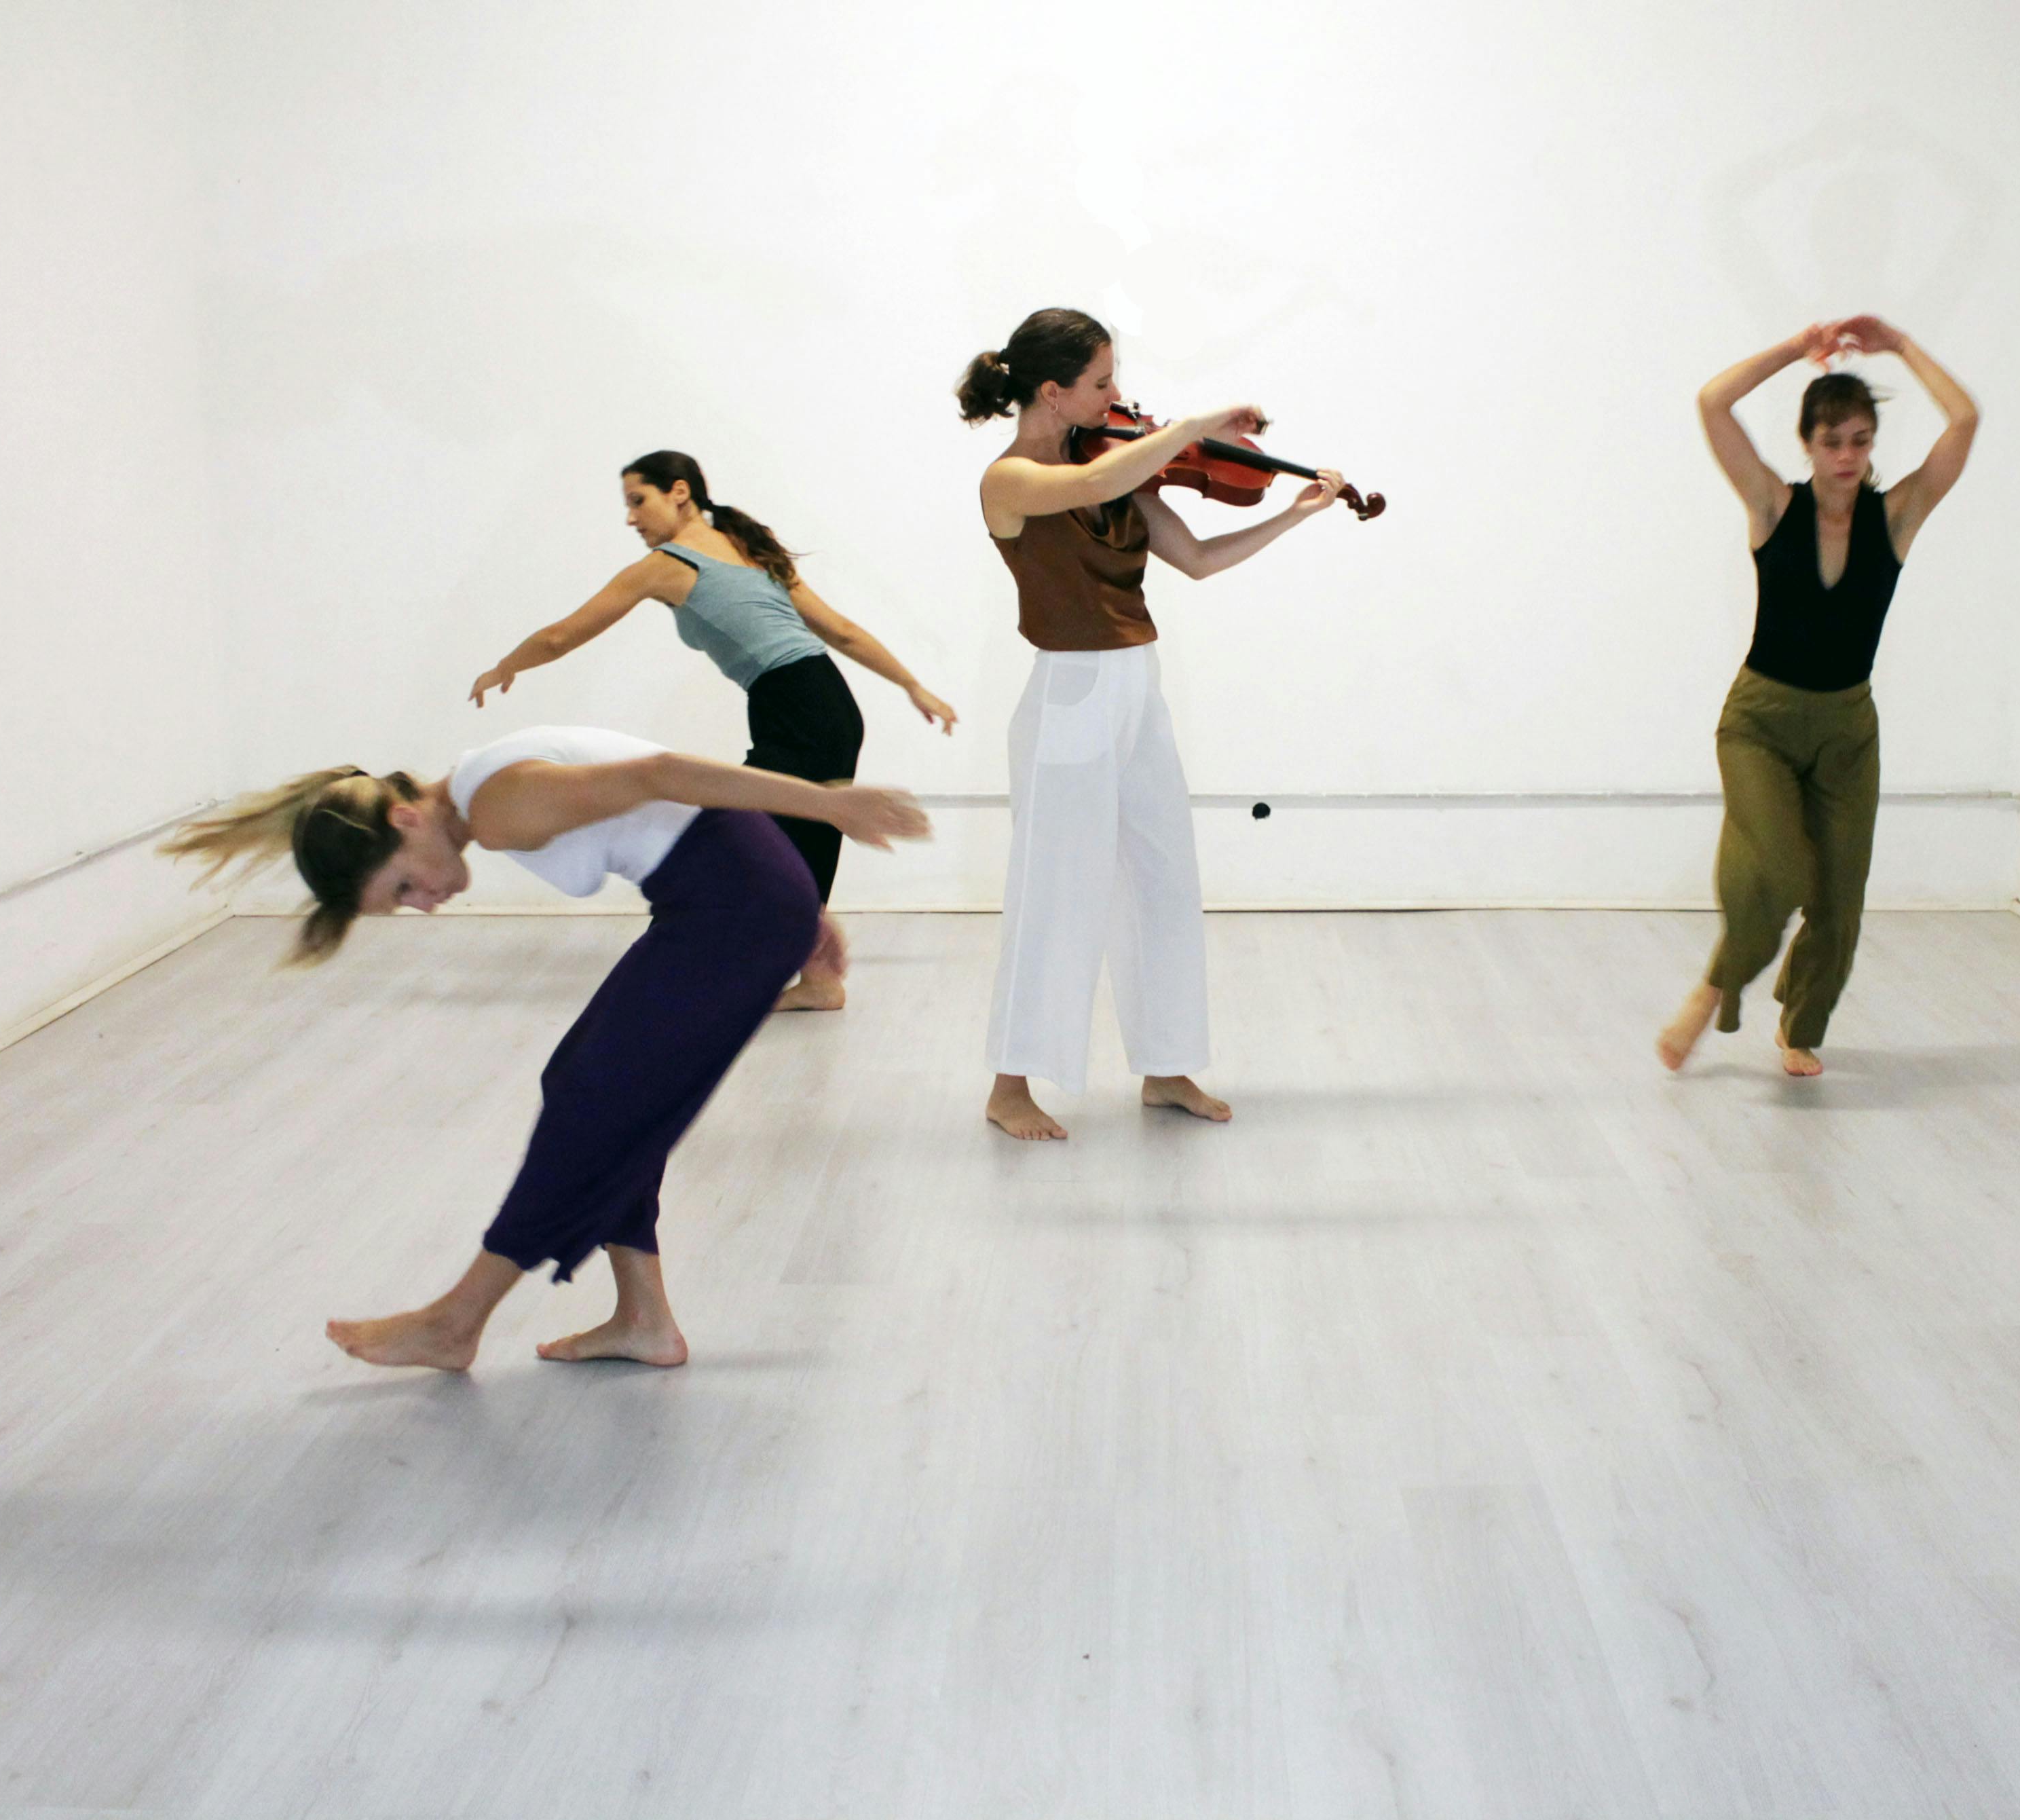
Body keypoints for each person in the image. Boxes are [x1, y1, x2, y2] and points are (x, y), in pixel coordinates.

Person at [159, 727, 929, 1369]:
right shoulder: (479, 788)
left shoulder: (499, 806)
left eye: (403, 889)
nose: (424, 905)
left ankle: (456, 1320)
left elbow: (663, 771)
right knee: (587, 1082)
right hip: (734, 895)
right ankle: (644, 1319)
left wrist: (830, 808)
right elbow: (668, 793)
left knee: (597, 1100)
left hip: (734, 908)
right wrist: (799, 893)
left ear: (404, 821)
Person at [957, 307, 1349, 1140]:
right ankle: (1009, 1085)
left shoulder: (1118, 466)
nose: (1118, 394)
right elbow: (1092, 487)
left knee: (1163, 876)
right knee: (1055, 892)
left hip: (1138, 685)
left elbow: (1200, 562)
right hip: (1069, 693)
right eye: (1101, 383)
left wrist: (1293, 515)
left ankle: (1167, 1066)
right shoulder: (1011, 479)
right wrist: (1196, 426)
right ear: (1054, 393)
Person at [468, 451, 958, 1009]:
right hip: (821, 701)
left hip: (797, 706)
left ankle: (748, 969)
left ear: (679, 492)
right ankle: (815, 978)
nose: (632, 518)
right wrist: (912, 685)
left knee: (738, 833)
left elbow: (562, 635)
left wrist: (507, 664)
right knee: (794, 833)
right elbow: (840, 633)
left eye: (638, 501)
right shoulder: (749, 548)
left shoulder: (667, 565)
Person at [1657, 315, 1979, 1077]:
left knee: (1839, 894)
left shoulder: (1895, 517)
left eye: (1861, 440)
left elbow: (1965, 418)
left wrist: (1901, 344)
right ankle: (1714, 990)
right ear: (1808, 443)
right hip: (1760, 721)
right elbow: (1712, 403)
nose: (1846, 456)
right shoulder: (1773, 506)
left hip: (1847, 727)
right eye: (1832, 441)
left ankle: (1801, 1026)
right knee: (1777, 869)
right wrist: (1795, 351)